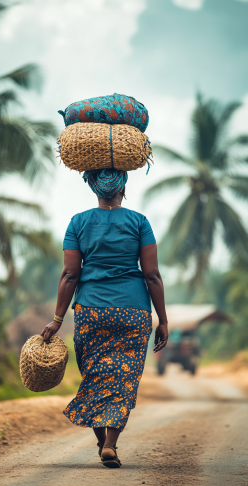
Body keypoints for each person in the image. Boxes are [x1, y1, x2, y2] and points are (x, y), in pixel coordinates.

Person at [41, 168, 168, 468]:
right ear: (124, 188)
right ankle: (109, 443)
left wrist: (57, 318)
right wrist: (162, 319)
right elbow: (152, 275)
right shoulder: (139, 222)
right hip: (133, 311)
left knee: (95, 376)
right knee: (124, 378)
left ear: (94, 189)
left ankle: (103, 443)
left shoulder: (79, 223)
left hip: (90, 311)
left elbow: (70, 274)